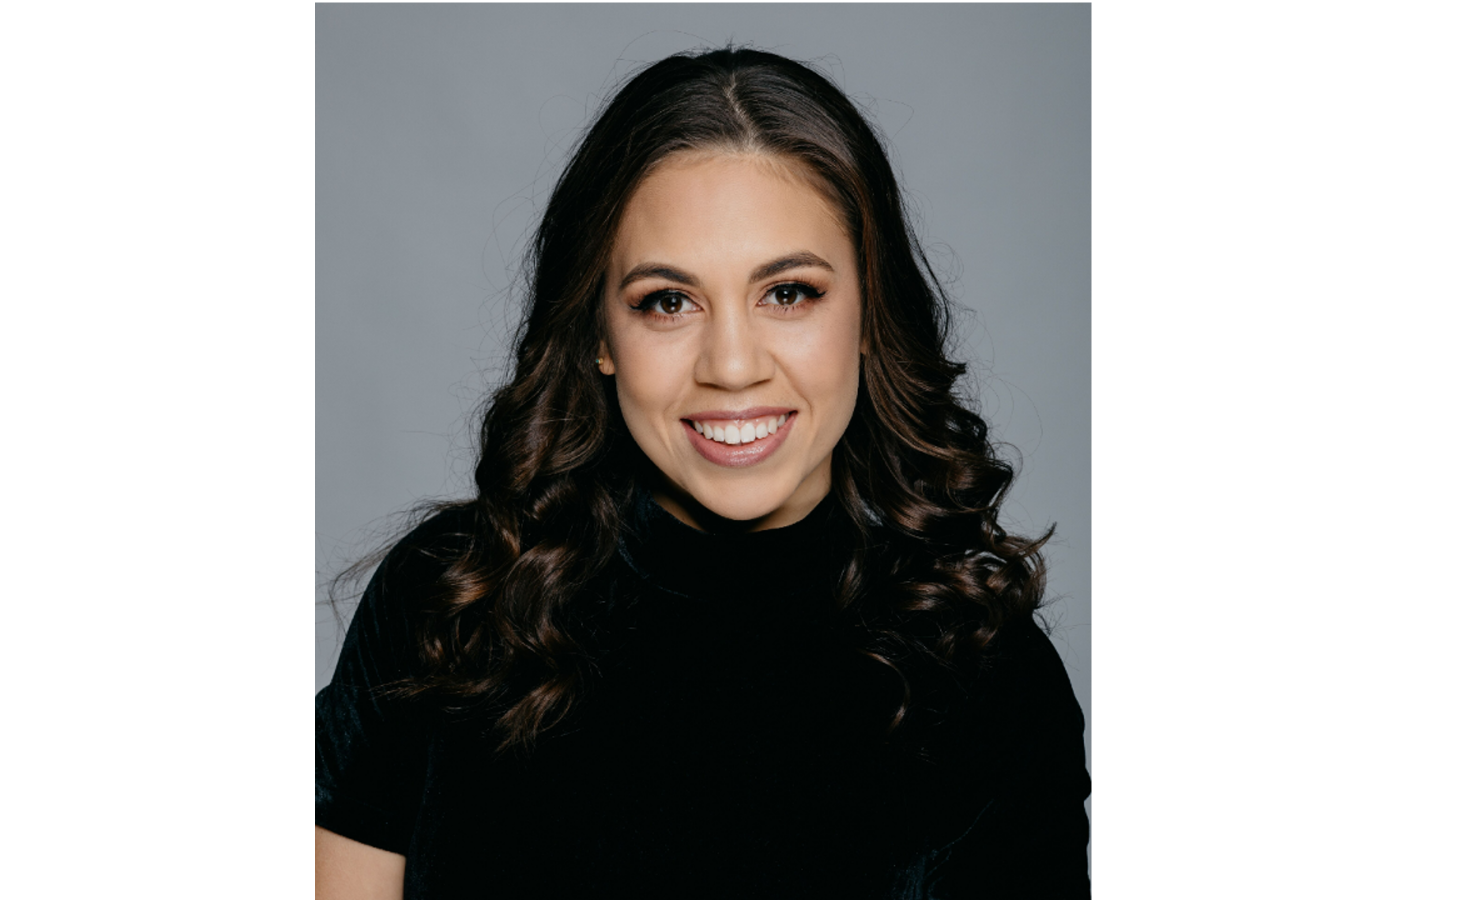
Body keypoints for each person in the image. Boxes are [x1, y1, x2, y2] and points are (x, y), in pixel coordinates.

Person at [315, 47, 1090, 899]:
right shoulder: (451, 601)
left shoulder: (986, 675)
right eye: (667, 301)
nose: (731, 365)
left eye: (788, 292)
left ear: (871, 313)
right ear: (600, 337)